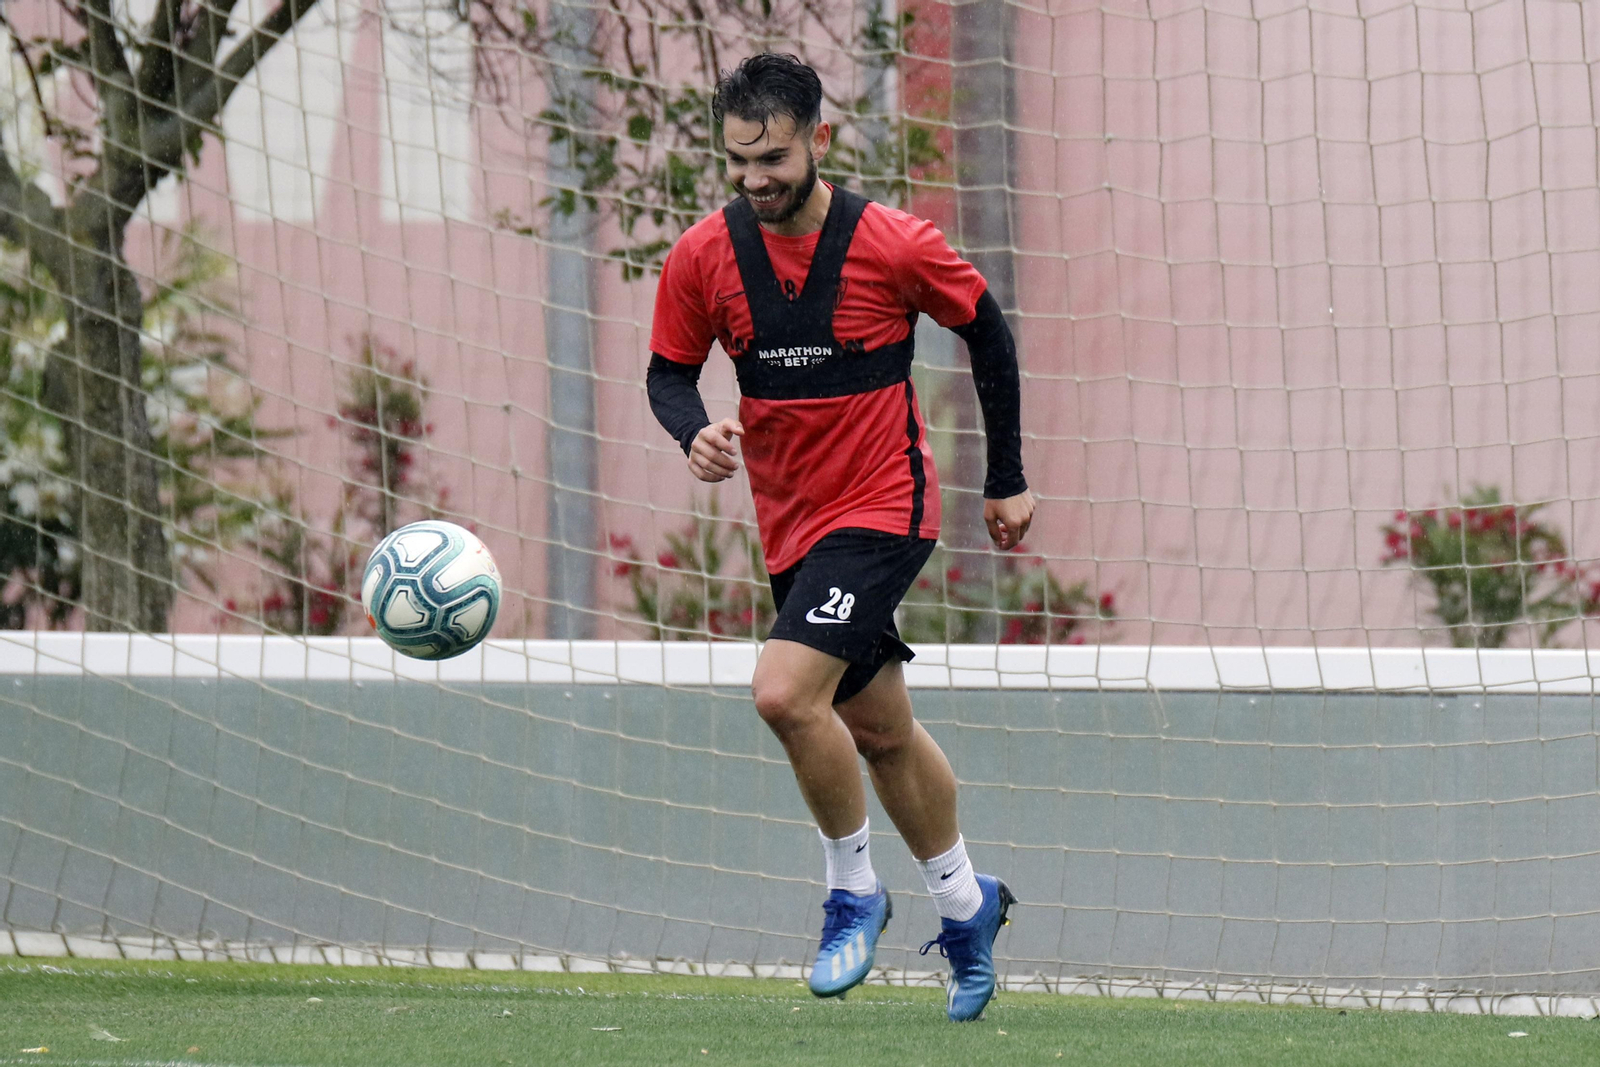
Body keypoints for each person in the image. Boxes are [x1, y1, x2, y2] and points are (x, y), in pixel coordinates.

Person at [645, 52, 1035, 1022]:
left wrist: (1007, 475)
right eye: (737, 160)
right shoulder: (703, 254)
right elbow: (666, 372)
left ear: (819, 138)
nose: (754, 178)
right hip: (793, 527)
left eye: (772, 156)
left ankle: (851, 887)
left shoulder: (893, 242)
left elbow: (986, 331)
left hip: (882, 506)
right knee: (879, 731)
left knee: (781, 693)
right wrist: (691, 427)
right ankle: (966, 902)